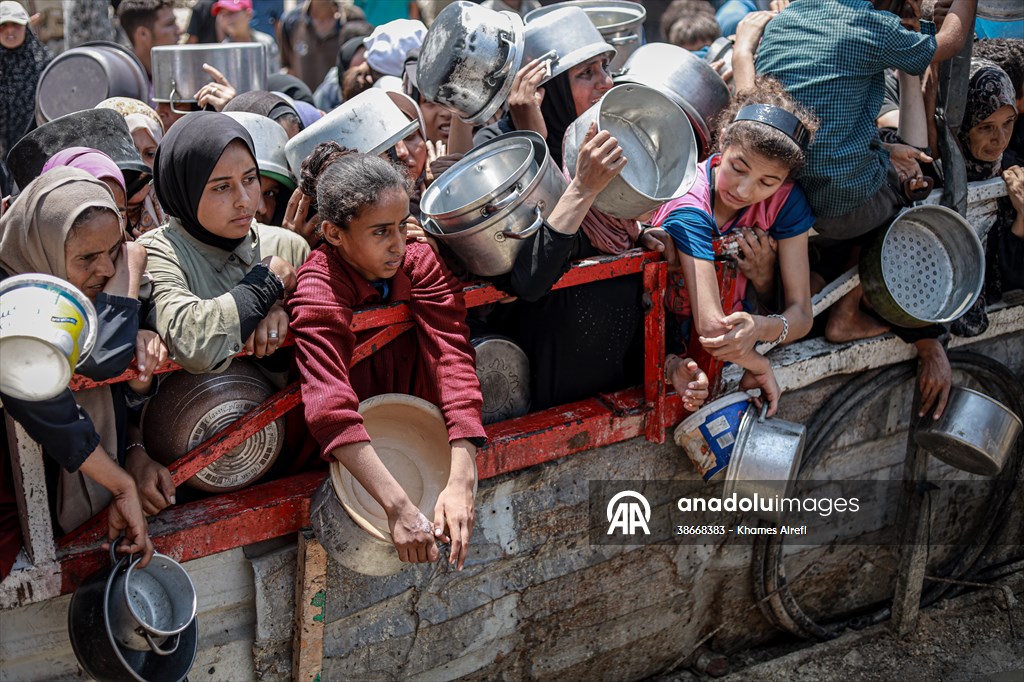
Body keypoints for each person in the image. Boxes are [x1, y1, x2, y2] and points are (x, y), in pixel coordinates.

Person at [288, 144, 484, 570]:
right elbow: (329, 404)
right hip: (342, 465)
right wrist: (398, 507)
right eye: (380, 232)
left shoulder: (417, 259)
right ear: (334, 233)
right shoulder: (318, 284)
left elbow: (452, 353)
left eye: (401, 226)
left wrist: (462, 476)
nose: (399, 245)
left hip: (415, 436)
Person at [0, 168, 172, 566]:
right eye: (87, 258)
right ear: (41, 246)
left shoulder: (82, 289)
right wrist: (120, 484)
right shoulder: (13, 299)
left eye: (114, 251)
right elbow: (99, 361)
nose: (108, 270)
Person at [646, 78, 816, 414]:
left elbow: (803, 313)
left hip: (721, 358)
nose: (745, 190)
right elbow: (712, 328)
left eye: (769, 182)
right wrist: (758, 364)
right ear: (723, 141)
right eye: (738, 168)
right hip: (659, 344)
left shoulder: (786, 202)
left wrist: (761, 326)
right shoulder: (688, 202)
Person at [138, 112, 310, 375]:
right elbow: (194, 343)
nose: (244, 200)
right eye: (221, 187)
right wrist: (267, 282)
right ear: (184, 191)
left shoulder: (287, 245)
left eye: (250, 179)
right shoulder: (155, 252)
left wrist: (282, 308)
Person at [952, 59, 1022, 336]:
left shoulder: (1015, 171)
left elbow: (1013, 281)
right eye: (985, 126)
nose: (1000, 139)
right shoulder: (930, 173)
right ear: (962, 123)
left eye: (1008, 123)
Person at [95, 97, 169, 236]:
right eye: (129, 153)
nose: (140, 166)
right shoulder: (87, 215)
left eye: (150, 154)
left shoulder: (173, 213)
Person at [0, 0, 52, 160]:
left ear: (25, 27)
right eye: (3, 25)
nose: (10, 30)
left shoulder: (44, 61)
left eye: (15, 25)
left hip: (41, 146)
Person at [279, 0, 365, 91]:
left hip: (342, 102)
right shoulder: (292, 21)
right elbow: (288, 67)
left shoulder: (353, 18)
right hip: (305, 102)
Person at [117, 0, 182, 85]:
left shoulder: (176, 74)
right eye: (170, 24)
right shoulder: (122, 83)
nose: (179, 31)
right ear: (143, 34)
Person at [212, 0, 281, 74]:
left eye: (231, 13)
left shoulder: (266, 43)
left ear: (249, 14)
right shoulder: (223, 49)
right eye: (223, 14)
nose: (227, 19)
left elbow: (275, 75)